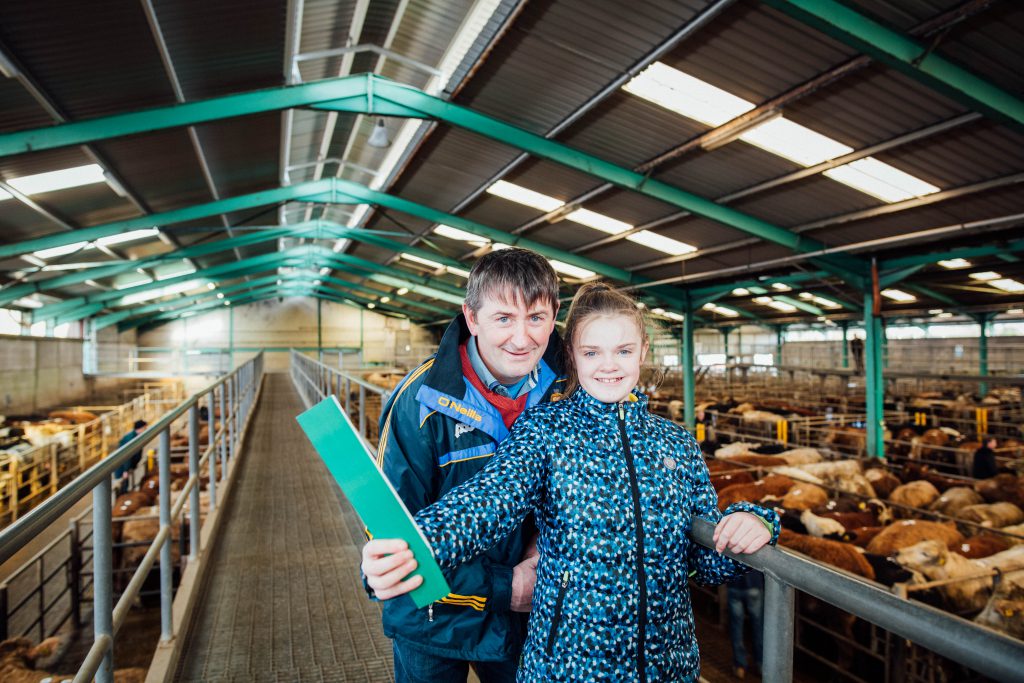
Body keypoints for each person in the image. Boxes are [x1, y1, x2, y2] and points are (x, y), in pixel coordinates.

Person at [364, 283, 779, 682]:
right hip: (566, 665)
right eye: (592, 351)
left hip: (667, 666)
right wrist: (406, 546)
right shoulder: (545, 431)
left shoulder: (676, 443)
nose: (609, 365)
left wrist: (753, 521)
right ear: (572, 356)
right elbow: (484, 504)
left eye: (623, 351)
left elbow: (707, 564)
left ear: (643, 352)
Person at [362, 247, 565, 683]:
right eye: (504, 318)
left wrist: (542, 551)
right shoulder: (419, 404)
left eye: (536, 317)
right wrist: (502, 586)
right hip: (434, 618)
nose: (522, 338)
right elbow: (392, 531)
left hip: (529, 615)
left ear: (554, 316)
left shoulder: (569, 392)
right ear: (472, 318)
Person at [727, 570, 764, 679]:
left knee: (736, 627)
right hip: (754, 584)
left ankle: (740, 666)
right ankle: (761, 664)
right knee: (758, 627)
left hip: (734, 585)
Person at [114, 419, 148, 492]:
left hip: (126, 465)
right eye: (145, 428)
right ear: (140, 428)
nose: (146, 430)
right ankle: (121, 500)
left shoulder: (136, 436)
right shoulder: (131, 439)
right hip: (122, 466)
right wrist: (125, 470)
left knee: (125, 483)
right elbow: (126, 456)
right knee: (122, 485)